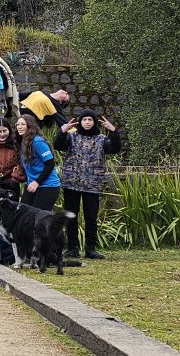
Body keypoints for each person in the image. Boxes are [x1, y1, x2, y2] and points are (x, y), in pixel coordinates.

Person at [54, 110, 121, 260]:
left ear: (94, 122)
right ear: (80, 122)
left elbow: (115, 149)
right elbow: (58, 145)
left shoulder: (101, 139)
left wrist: (114, 132)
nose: (87, 122)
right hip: (72, 182)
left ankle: (91, 248)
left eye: (90, 119)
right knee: (71, 215)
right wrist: (62, 131)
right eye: (84, 119)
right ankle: (72, 248)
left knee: (91, 217)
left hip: (92, 182)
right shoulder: (72, 137)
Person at [16, 114, 61, 211]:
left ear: (30, 125)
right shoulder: (23, 141)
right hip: (32, 183)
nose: (19, 127)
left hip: (47, 185)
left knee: (38, 219)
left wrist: (37, 182)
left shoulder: (37, 141)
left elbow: (50, 164)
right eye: (17, 124)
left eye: (22, 124)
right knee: (22, 213)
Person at [0, 117, 25, 200]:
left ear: (9, 130)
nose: (2, 134)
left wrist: (15, 177)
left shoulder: (15, 144)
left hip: (12, 183)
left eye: (4, 131)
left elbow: (21, 163)